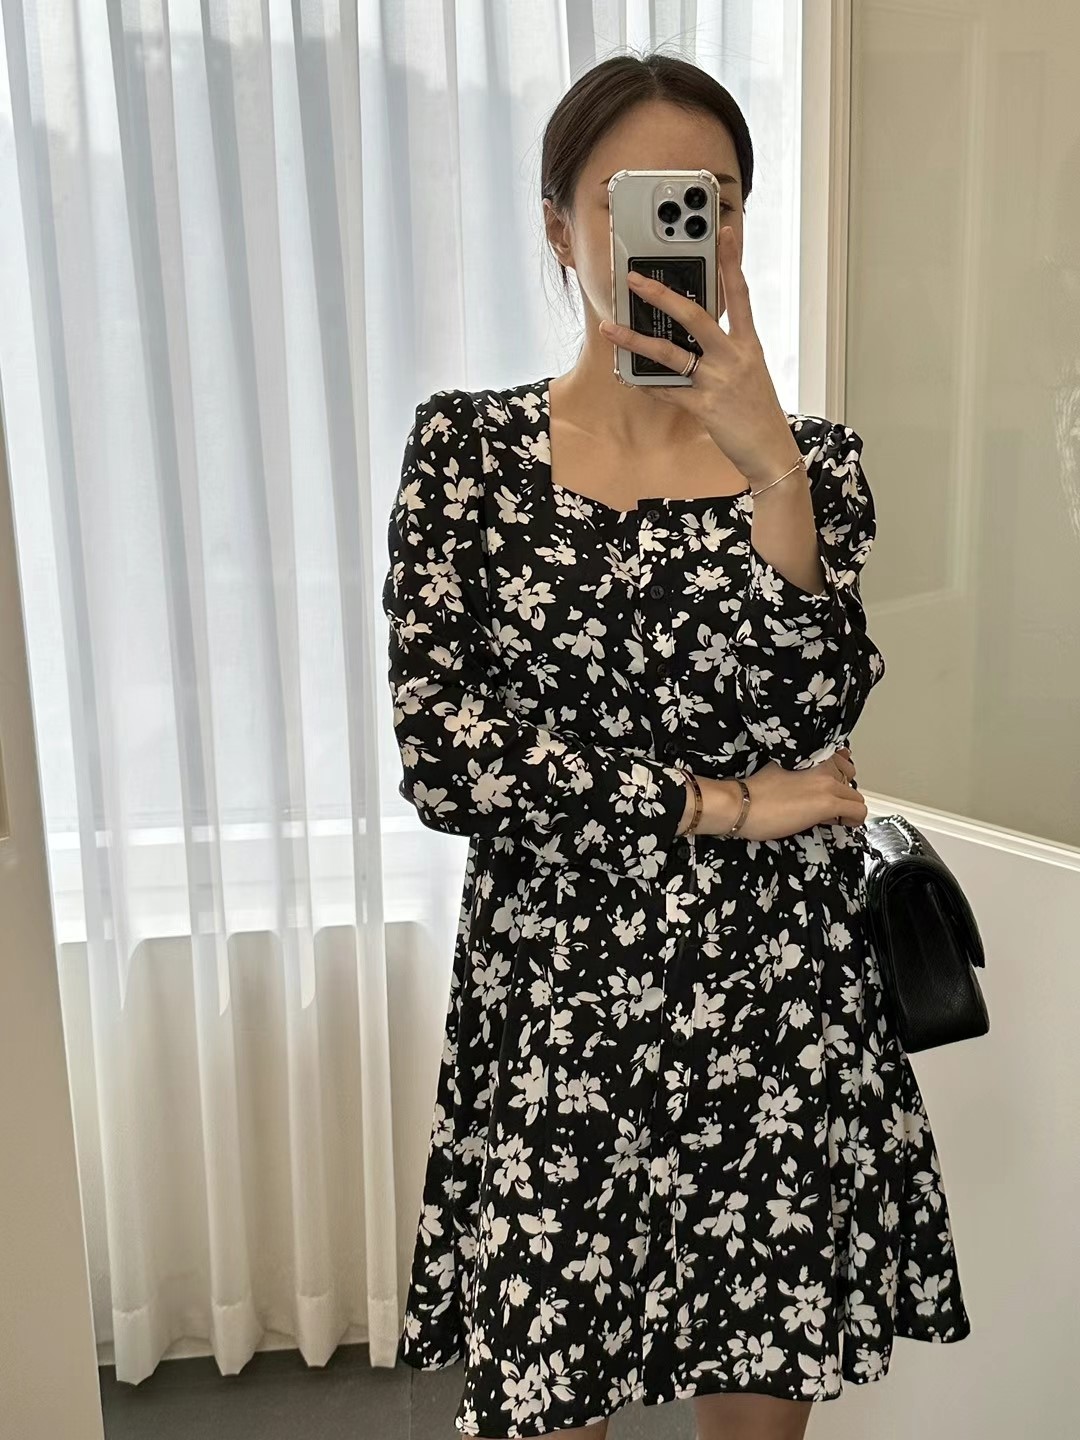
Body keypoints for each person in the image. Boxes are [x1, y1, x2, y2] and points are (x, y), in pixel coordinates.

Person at [382, 50, 970, 1440]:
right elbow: (447, 755)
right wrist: (720, 802)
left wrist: (770, 470)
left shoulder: (816, 464)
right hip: (560, 993)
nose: (675, 230)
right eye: (632, 200)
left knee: (758, 1396)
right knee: (548, 1392)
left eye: (713, 201)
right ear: (559, 226)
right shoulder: (466, 456)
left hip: (776, 996)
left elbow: (819, 712)